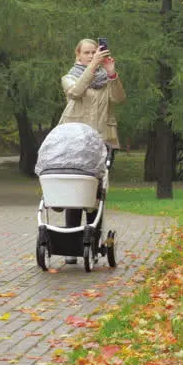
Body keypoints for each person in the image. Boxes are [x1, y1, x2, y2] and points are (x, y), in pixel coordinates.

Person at [58, 38, 126, 243]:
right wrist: (93, 66)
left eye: (94, 52)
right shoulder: (69, 77)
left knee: (96, 195)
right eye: (86, 53)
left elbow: (119, 98)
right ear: (77, 55)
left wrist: (112, 73)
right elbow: (75, 92)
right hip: (75, 141)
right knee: (74, 193)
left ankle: (92, 241)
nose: (90, 56)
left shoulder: (106, 81)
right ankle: (71, 243)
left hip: (102, 140)